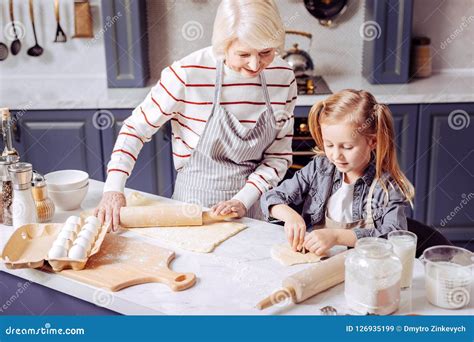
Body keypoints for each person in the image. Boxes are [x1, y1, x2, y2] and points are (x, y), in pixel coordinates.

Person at [95, 0, 297, 230]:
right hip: (192, 210)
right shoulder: (187, 74)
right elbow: (135, 129)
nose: (254, 64)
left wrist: (243, 200)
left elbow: (278, 157)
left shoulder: (283, 75)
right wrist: (113, 188)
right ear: (223, 45)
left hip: (253, 208)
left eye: (265, 52)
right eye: (243, 54)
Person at [261, 89, 415, 255]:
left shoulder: (386, 187)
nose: (335, 155)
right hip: (316, 262)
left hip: (362, 267)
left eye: (347, 147)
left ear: (372, 141)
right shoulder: (319, 169)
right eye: (329, 145)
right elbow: (270, 197)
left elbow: (394, 237)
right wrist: (292, 217)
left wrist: (337, 236)